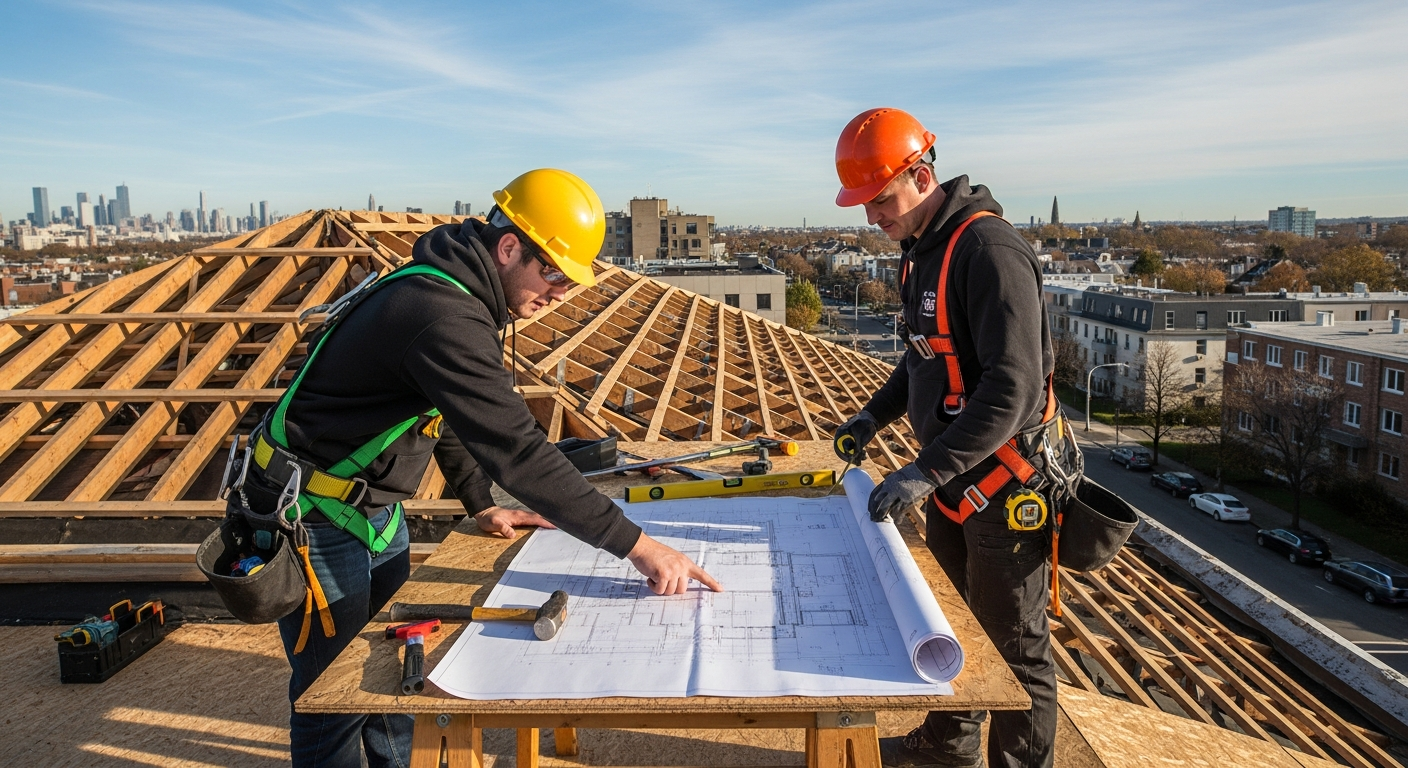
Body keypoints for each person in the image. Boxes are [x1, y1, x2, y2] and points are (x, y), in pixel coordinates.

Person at [238, 169, 722, 767]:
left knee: (389, 674)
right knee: (333, 701)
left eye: (568, 281)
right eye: (552, 271)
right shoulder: (439, 312)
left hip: (367, 509)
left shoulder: (458, 296)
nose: (559, 293)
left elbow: (444, 411)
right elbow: (517, 451)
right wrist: (640, 546)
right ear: (509, 246)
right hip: (310, 514)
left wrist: (478, 500)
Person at [831, 109, 1070, 768]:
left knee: (1016, 650)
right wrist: (872, 417)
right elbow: (920, 359)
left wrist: (923, 472)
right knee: (954, 625)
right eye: (864, 204)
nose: (872, 217)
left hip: (1007, 484)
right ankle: (946, 746)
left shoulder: (988, 251)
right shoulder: (919, 255)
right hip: (954, 480)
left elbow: (1012, 392)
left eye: (882, 199)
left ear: (922, 175)